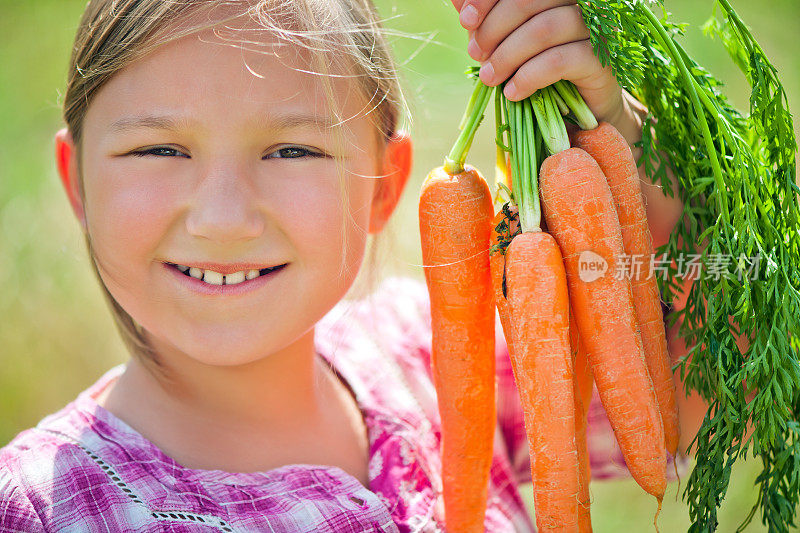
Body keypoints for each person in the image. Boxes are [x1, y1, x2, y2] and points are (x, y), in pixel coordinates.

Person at [0, 0, 701, 531]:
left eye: (292, 150)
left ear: (384, 185)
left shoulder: (422, 356)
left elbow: (715, 374)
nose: (222, 218)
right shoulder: (40, 508)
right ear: (78, 182)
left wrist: (620, 139)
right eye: (160, 150)